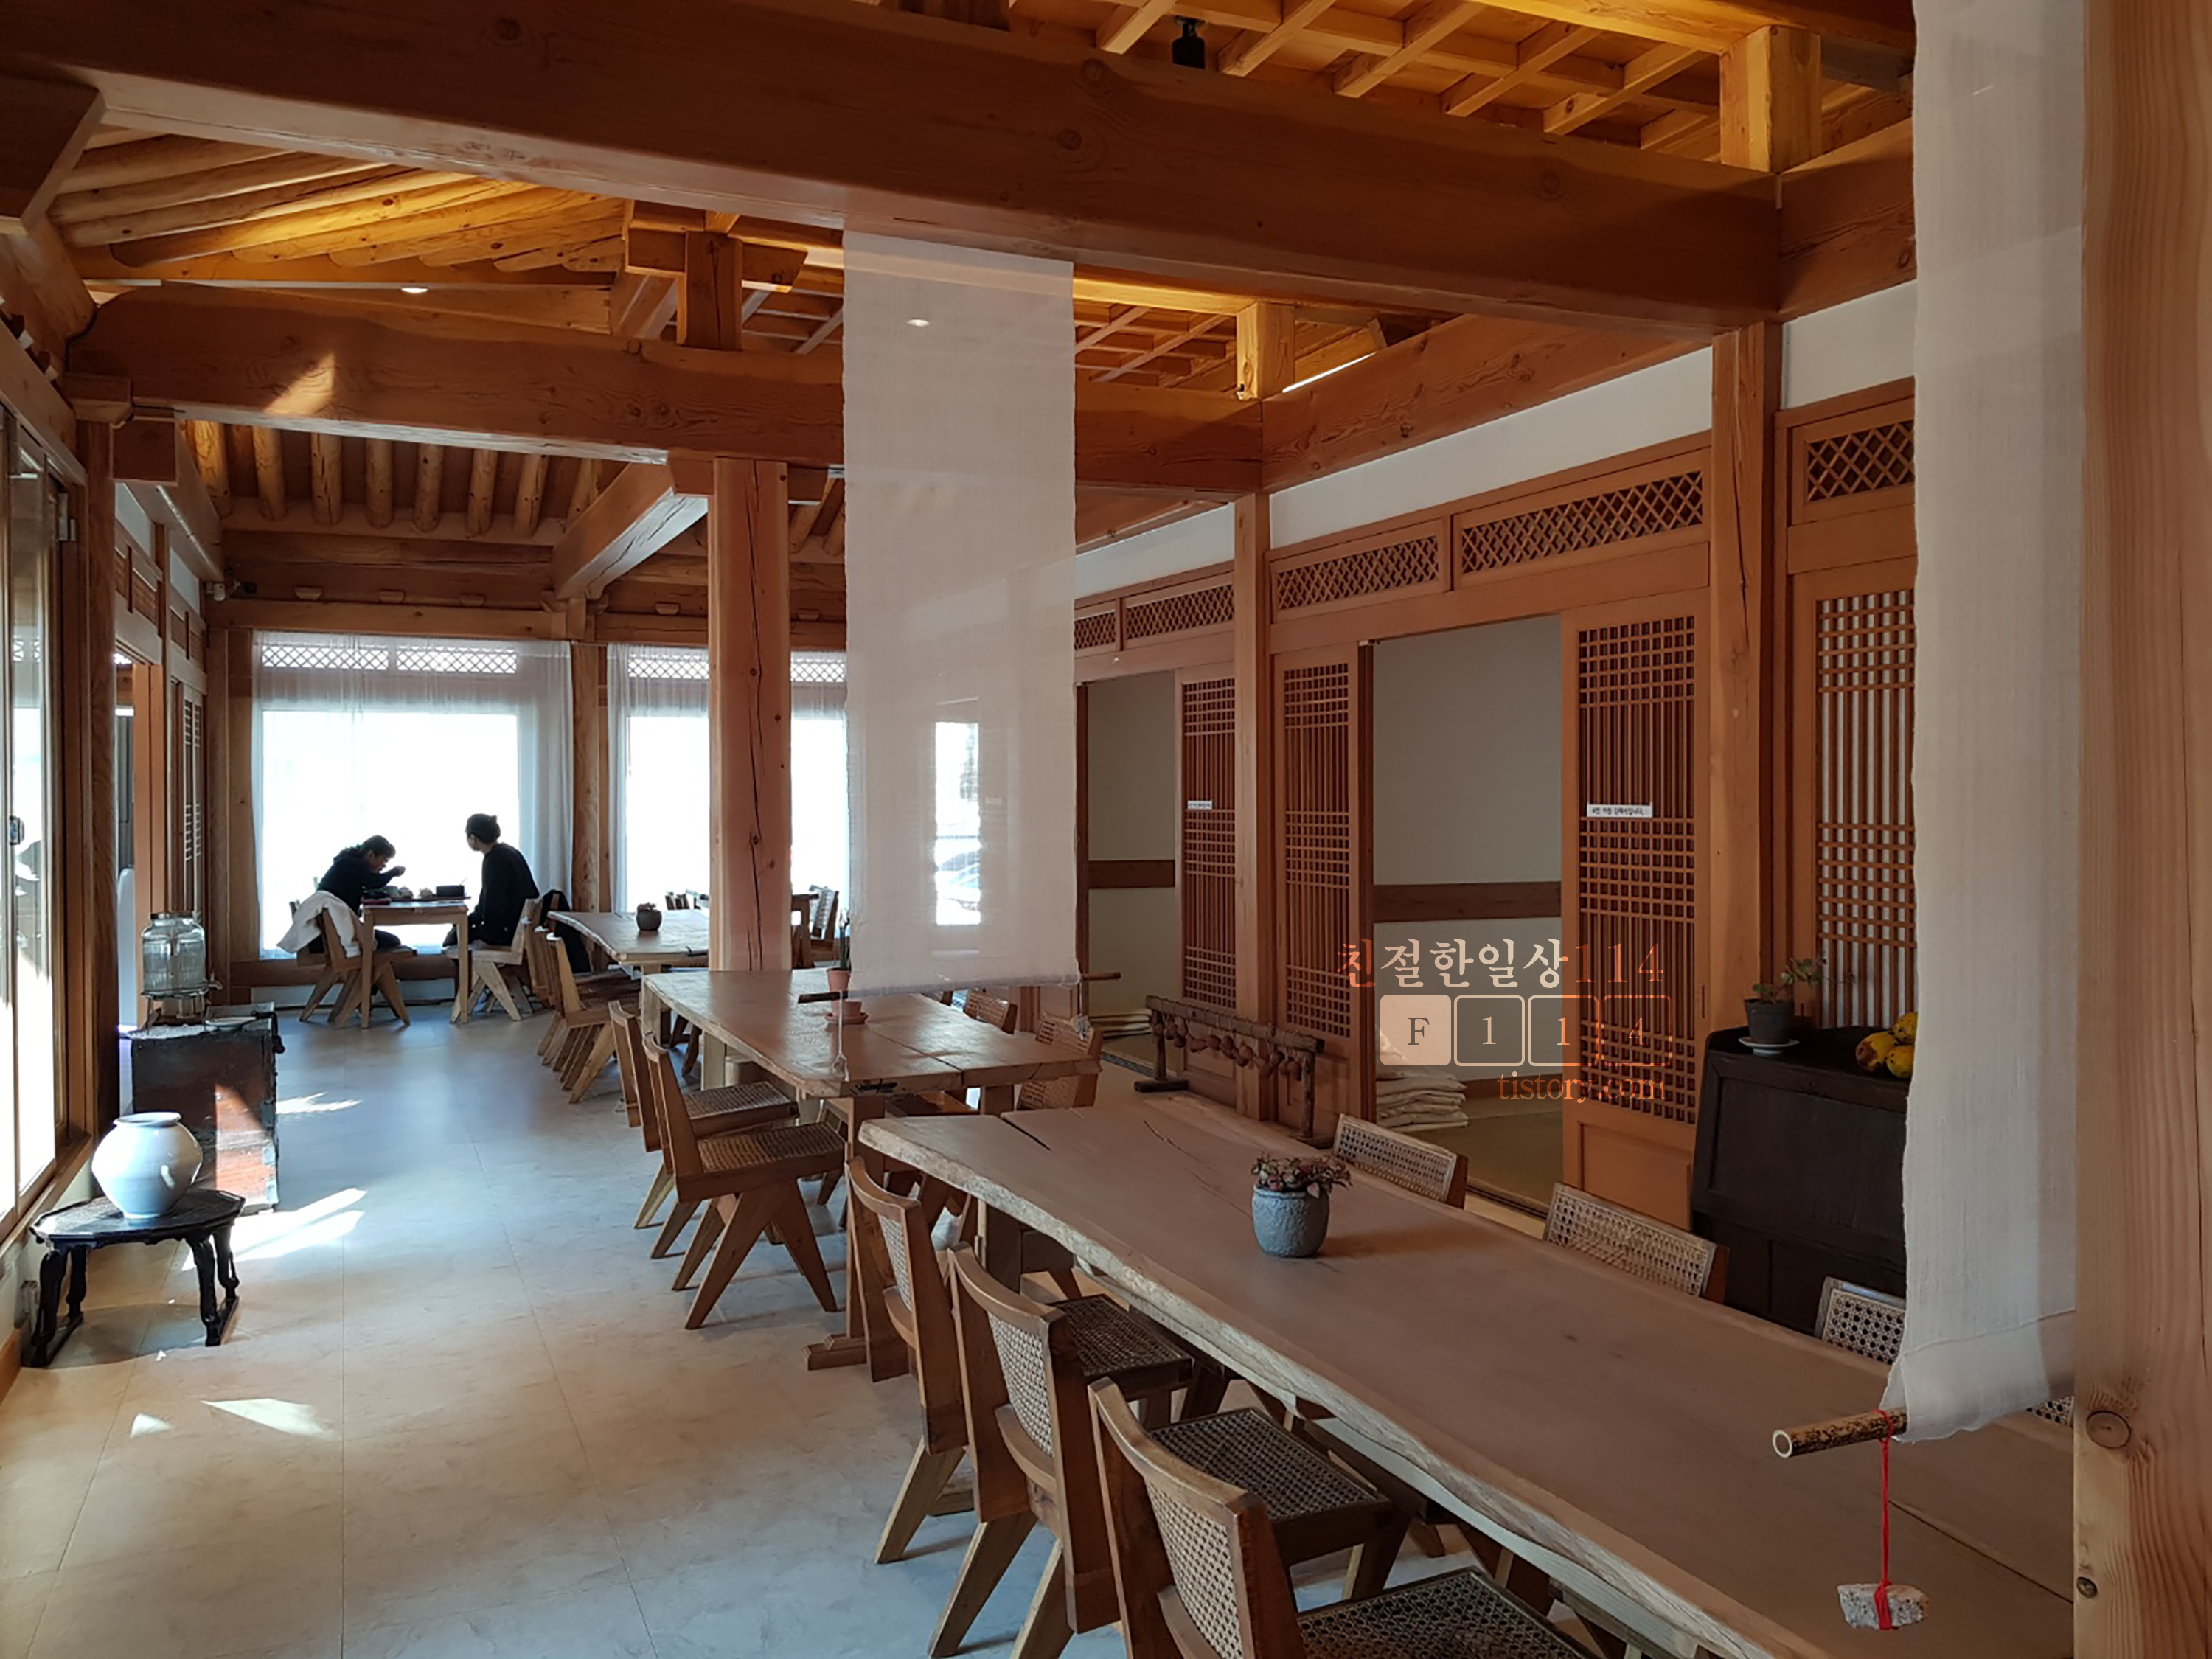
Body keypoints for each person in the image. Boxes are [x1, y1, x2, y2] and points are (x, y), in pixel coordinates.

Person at [308, 835, 405, 953]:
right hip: (334, 937)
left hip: (328, 933)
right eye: (384, 860)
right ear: (371, 855)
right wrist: (395, 872)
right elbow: (374, 882)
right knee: (393, 941)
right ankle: (366, 964)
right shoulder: (353, 865)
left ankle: (367, 964)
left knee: (386, 939)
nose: (384, 866)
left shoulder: (347, 862)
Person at [463, 813, 538, 947]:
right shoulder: (509, 852)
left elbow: (494, 904)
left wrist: (477, 928)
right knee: (462, 931)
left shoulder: (494, 860)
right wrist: (471, 920)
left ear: (473, 838)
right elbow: (486, 901)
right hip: (522, 925)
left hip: (511, 931)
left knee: (457, 938)